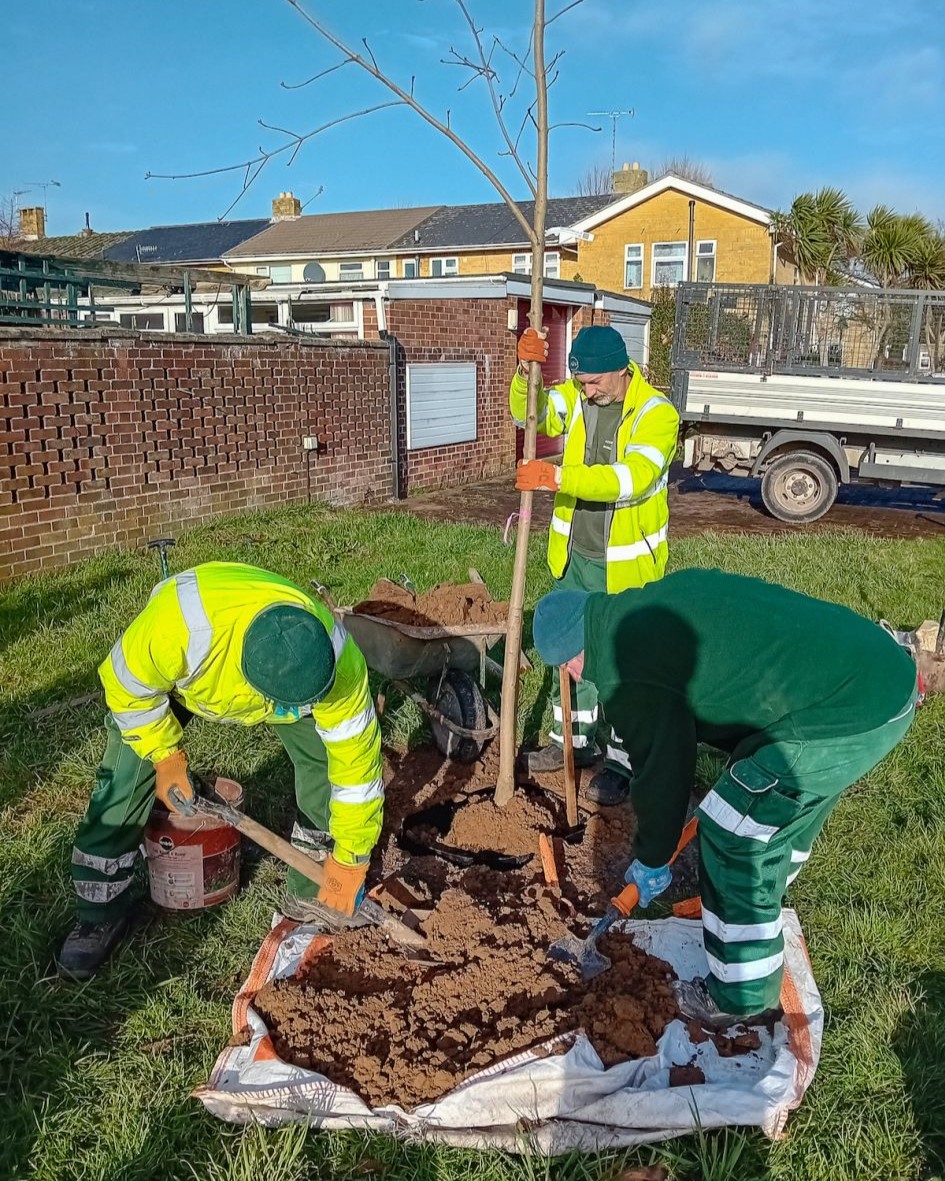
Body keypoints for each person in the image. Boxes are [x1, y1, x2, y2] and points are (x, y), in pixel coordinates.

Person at [531, 569, 919, 1027]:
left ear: (574, 657)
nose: (573, 675)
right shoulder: (652, 602)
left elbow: (662, 772)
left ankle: (739, 997)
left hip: (848, 712)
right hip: (875, 671)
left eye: (568, 668)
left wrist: (653, 856)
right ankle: (755, 913)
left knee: (732, 833)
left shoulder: (628, 675)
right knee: (769, 815)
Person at [57, 561, 383, 980]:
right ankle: (99, 911)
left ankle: (313, 889)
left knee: (324, 762)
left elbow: (357, 771)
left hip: (289, 672)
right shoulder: (175, 630)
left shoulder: (337, 664)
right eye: (285, 705)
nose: (289, 712)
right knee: (124, 779)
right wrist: (165, 756)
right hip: (188, 676)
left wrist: (352, 855)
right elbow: (127, 690)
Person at [511, 323, 678, 804]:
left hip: (627, 568)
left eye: (595, 382)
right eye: (581, 383)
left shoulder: (657, 414)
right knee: (571, 651)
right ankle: (573, 741)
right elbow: (531, 414)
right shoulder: (578, 397)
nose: (587, 392)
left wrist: (558, 477)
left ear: (622, 370)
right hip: (575, 558)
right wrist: (525, 372)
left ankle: (623, 760)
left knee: (622, 661)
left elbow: (631, 479)